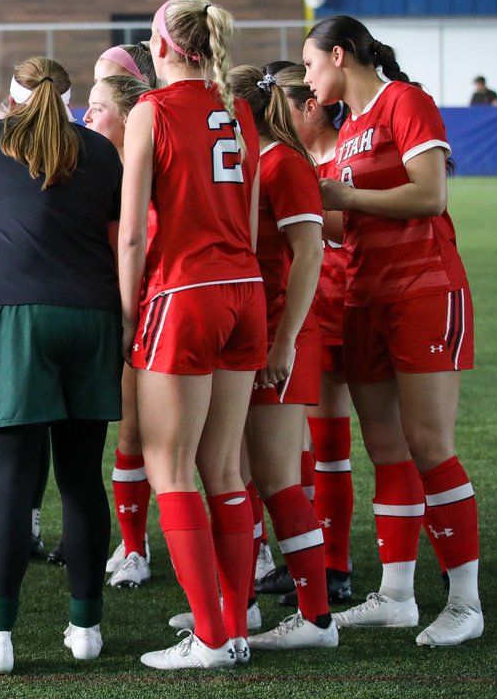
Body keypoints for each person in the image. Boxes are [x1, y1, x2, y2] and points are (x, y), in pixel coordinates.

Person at [304, 15, 482, 646]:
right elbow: (347, 223)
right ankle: (397, 596)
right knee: (386, 450)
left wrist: (344, 198)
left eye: (310, 64)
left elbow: (431, 196)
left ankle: (465, 603)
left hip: (422, 290)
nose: (306, 78)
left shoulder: (404, 101)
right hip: (366, 295)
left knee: (429, 443)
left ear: (339, 55)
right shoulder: (351, 127)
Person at [0, 55, 123, 675]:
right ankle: (86, 628)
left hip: (19, 317)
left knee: (13, 483)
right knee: (81, 478)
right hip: (94, 317)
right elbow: (117, 244)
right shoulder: (101, 151)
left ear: (12, 96)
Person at [119, 0, 263, 670]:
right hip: (245, 289)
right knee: (224, 468)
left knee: (169, 467)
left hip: (183, 292)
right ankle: (233, 626)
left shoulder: (150, 110)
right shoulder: (238, 111)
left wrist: (127, 314)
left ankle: (209, 637)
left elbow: (131, 235)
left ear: (162, 46)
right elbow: (251, 221)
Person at [228, 64, 335, 651]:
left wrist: (284, 342)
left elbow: (309, 254)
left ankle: (316, 619)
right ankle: (238, 609)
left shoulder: (283, 164)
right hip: (249, 335)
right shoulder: (250, 164)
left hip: (279, 337)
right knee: (237, 476)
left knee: (277, 481)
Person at [272, 63, 356, 606]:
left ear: (309, 107)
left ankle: (336, 565)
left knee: (330, 444)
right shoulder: (293, 158)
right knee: (299, 442)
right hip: (305, 309)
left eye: (279, 109)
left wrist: (299, 205)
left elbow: (348, 226)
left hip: (343, 304)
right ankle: (308, 559)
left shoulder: (344, 152)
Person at [83, 73, 155, 588]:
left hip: (158, 308)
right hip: (129, 312)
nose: (86, 116)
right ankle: (134, 547)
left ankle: (254, 550)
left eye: (98, 106)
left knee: (217, 449)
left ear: (129, 118)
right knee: (129, 434)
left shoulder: (150, 168)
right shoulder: (100, 171)